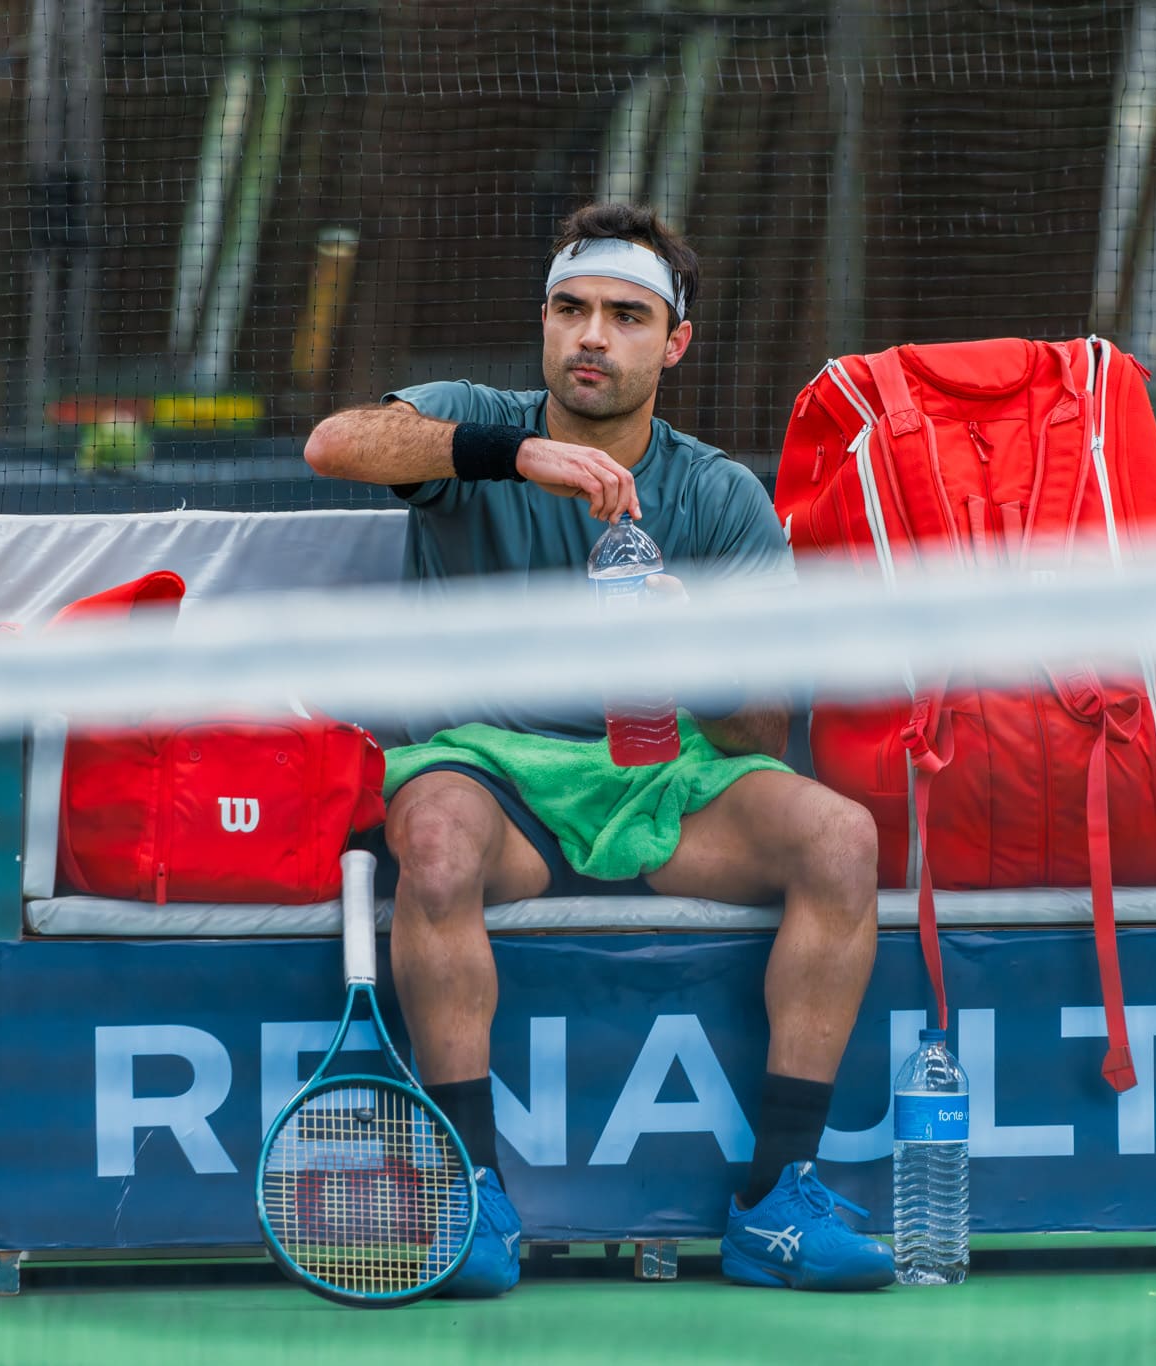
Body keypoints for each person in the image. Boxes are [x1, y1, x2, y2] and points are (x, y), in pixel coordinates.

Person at [303, 203, 889, 1296]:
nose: (590, 337)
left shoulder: (717, 494)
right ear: (543, 322)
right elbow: (335, 442)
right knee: (428, 838)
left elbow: (760, 733)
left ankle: (775, 1202)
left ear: (671, 343)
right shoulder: (475, 423)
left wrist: (687, 650)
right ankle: (468, 1194)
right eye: (570, 310)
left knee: (839, 836)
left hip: (658, 779)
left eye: (624, 316)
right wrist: (511, 455)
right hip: (489, 774)